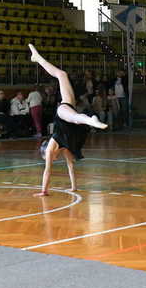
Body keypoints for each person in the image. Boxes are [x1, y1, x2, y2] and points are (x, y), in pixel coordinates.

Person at [29, 44, 107, 197]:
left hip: (63, 111)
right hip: (69, 107)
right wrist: (73, 187)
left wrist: (44, 191)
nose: (51, 159)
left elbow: (47, 171)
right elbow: (71, 166)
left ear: (46, 152)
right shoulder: (64, 148)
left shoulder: (51, 149)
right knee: (62, 74)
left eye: (47, 157)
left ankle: (91, 121)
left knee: (75, 117)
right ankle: (37, 58)